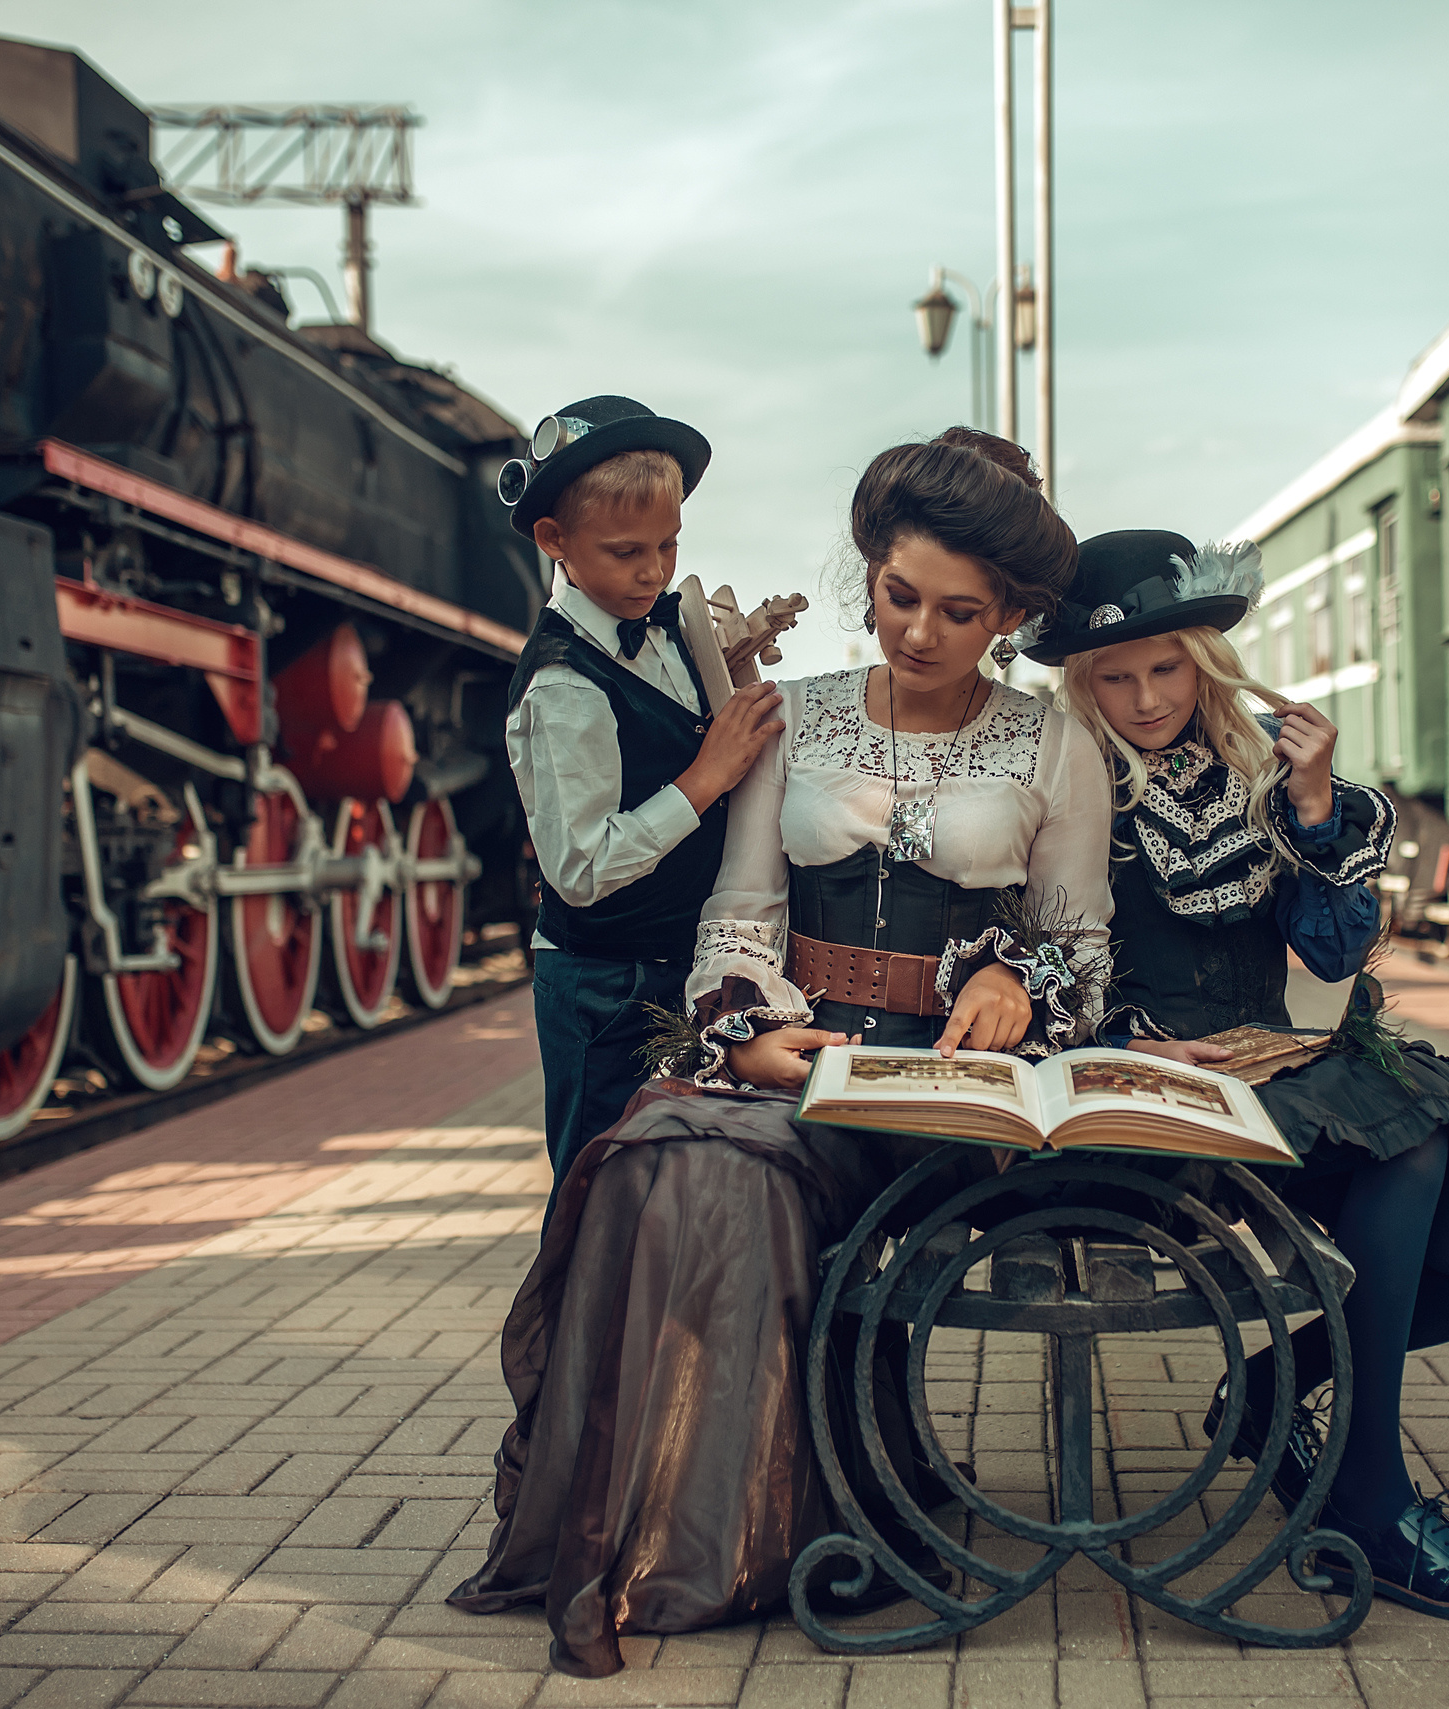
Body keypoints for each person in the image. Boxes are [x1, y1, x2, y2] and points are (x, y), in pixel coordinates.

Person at [453, 429, 1110, 1676]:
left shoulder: (1051, 744)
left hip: (956, 1094)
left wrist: (1010, 982)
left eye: (958, 612)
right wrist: (746, 1030)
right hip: (794, 1059)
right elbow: (741, 912)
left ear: (1010, 618)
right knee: (662, 1156)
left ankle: (812, 1516)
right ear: (869, 572)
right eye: (896, 593)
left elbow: (1078, 942)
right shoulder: (792, 721)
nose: (915, 630)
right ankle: (649, 1535)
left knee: (729, 1173)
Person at [1026, 528, 1449, 1627]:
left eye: (1164, 669)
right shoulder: (1064, 774)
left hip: (1284, 1087)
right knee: (1406, 1134)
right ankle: (1372, 1496)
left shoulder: (1274, 774)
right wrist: (1123, 1037)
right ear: (1083, 680)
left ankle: (1272, 1388)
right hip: (1138, 1093)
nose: (1140, 699)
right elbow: (1041, 951)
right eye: (1113, 677)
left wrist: (1314, 803)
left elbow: (1330, 954)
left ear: (1207, 661)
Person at [499, 396, 787, 1184]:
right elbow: (581, 868)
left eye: (668, 545)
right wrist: (703, 780)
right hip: (605, 987)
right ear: (553, 541)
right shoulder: (562, 684)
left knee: (678, 1197)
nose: (653, 571)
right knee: (602, 1194)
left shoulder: (662, 622)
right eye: (626, 551)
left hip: (681, 964)